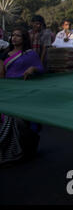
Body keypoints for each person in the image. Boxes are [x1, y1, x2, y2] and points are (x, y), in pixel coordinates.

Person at [0, 27, 44, 166]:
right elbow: (2, 74)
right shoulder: (5, 54)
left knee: (23, 121)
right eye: (13, 35)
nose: (14, 38)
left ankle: (26, 150)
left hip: (25, 92)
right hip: (9, 92)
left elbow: (41, 68)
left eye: (18, 36)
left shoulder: (30, 54)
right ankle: (10, 151)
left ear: (24, 38)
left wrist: (33, 69)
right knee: (7, 121)